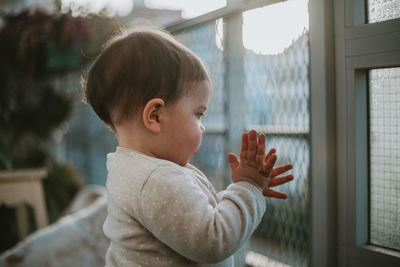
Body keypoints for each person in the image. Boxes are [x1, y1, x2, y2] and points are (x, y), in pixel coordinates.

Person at [84, 26, 294, 267]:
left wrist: (247, 188)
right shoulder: (154, 180)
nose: (202, 127)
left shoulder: (139, 169)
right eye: (199, 114)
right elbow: (214, 239)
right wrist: (248, 188)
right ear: (155, 116)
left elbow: (200, 217)